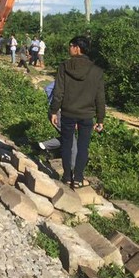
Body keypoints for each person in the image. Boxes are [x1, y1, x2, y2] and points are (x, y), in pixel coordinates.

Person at [49, 36, 105, 189]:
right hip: (87, 115)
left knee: (67, 144)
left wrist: (54, 110)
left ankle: (67, 177)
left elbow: (59, 92)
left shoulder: (64, 66)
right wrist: (100, 119)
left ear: (77, 48)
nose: (69, 48)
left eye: (70, 45)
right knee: (83, 147)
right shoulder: (97, 71)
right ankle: (79, 178)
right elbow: (100, 97)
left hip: (68, 112)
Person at [38, 82, 77, 167]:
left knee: (68, 138)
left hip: (59, 113)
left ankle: (44, 145)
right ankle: (72, 170)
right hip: (59, 114)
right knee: (71, 141)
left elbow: (48, 88)